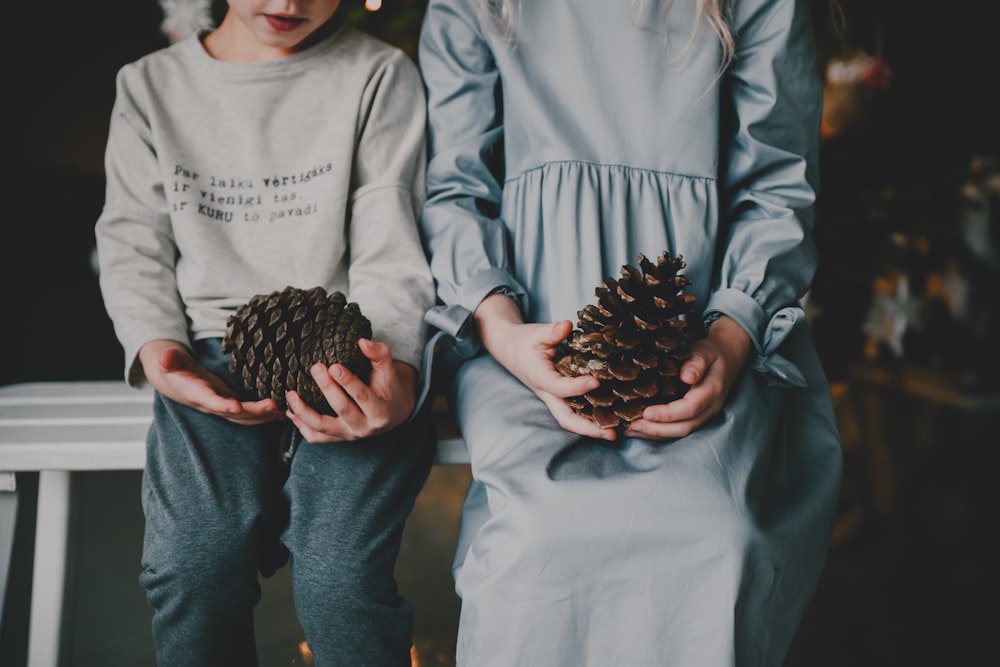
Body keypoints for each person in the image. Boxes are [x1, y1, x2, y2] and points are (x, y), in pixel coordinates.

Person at [417, 0, 844, 663]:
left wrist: (731, 340)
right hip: (527, 342)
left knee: (719, 532)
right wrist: (502, 331)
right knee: (536, 537)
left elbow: (777, 189)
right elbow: (455, 190)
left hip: (707, 336)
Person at [95, 1, 435, 664]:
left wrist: (395, 377)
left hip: (354, 361)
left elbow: (391, 245)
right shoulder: (149, 87)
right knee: (192, 563)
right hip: (210, 361)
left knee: (341, 580)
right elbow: (132, 239)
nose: (288, 2)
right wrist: (158, 348)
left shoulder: (378, 75)